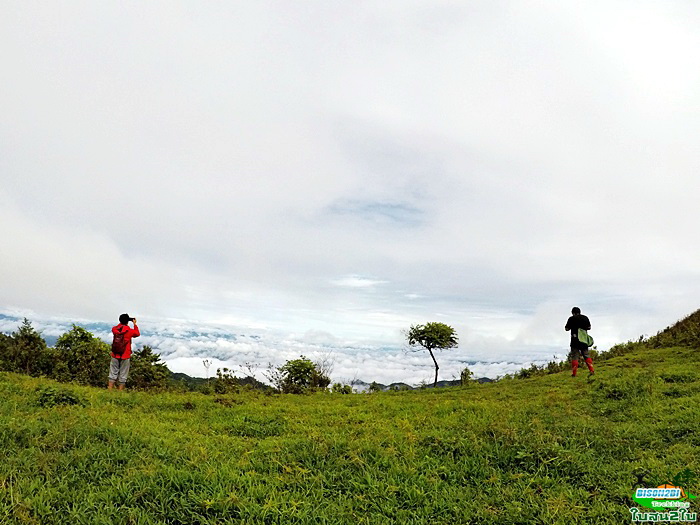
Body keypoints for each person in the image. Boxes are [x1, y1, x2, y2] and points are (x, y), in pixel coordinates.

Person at [109, 314, 140, 390]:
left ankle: (109, 390)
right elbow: (137, 333)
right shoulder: (129, 331)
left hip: (115, 354)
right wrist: (134, 324)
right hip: (125, 355)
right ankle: (120, 392)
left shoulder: (114, 329)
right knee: (123, 374)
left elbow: (118, 328)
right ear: (127, 321)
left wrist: (122, 323)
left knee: (112, 373)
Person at [565, 306, 594, 377]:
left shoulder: (571, 319)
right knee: (586, 355)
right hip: (583, 340)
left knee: (575, 356)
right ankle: (592, 370)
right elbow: (589, 327)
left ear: (573, 313)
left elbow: (566, 328)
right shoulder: (585, 318)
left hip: (574, 340)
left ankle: (574, 374)